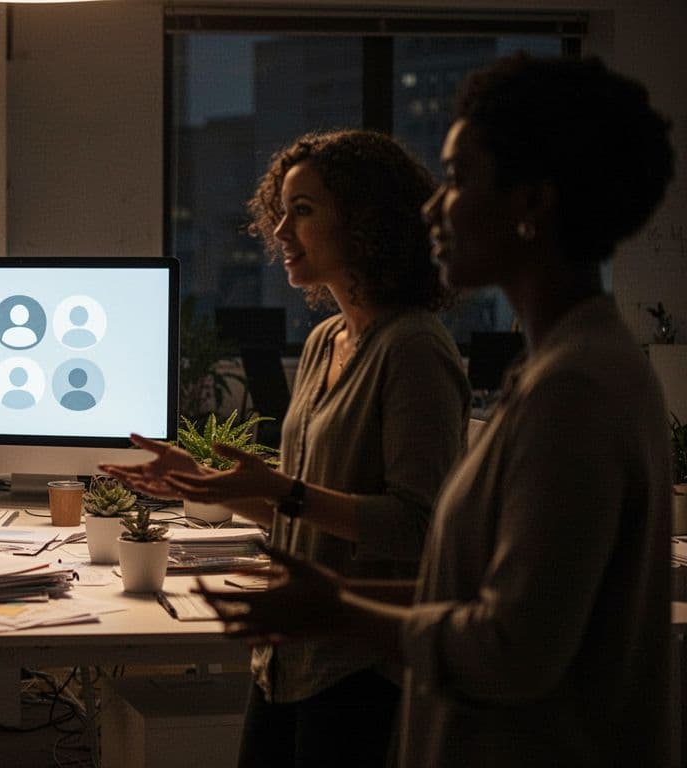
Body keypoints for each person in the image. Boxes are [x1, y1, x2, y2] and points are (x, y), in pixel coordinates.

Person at [198, 54, 674, 767]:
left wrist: (342, 611)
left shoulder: (574, 388)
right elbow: (484, 587)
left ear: (531, 203)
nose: (431, 208)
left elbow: (515, 646)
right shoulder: (566, 368)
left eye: (456, 180)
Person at [104, 129, 470, 767]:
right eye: (281, 209)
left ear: (365, 222)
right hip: (289, 653)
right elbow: (302, 520)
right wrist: (219, 487)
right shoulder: (328, 340)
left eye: (303, 210)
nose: (279, 232)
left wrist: (283, 490)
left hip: (361, 665)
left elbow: (419, 525)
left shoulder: (412, 347)